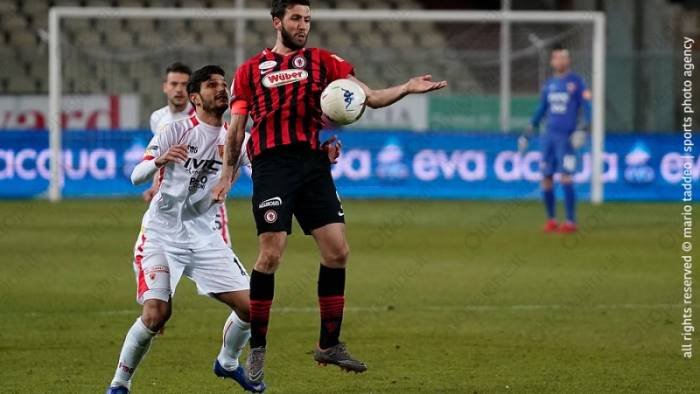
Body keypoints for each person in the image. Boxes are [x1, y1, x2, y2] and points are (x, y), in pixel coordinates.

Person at [211, 0, 447, 386]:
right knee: (271, 253)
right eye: (295, 18)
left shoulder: (325, 62)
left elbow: (367, 97)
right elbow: (237, 129)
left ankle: (329, 343)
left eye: (307, 19)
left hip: (312, 163)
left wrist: (405, 88)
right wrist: (227, 176)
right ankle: (257, 347)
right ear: (277, 22)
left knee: (338, 251)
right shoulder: (250, 71)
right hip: (271, 165)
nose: (303, 25)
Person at [106, 65, 264, 394]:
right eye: (211, 85)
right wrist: (159, 161)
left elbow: (273, 164)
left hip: (205, 236)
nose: (221, 89)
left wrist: (320, 157)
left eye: (224, 84)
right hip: (161, 235)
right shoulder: (174, 131)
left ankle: (227, 362)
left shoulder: (237, 140)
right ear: (195, 97)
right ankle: (120, 384)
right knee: (156, 313)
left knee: (253, 307)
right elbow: (136, 175)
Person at [519, 45, 592, 233]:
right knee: (546, 177)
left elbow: (587, 108)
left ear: (568, 61)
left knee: (566, 177)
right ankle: (551, 220)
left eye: (562, 57)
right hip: (548, 137)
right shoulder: (549, 84)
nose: (558, 61)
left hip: (566, 138)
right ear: (552, 62)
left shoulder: (577, 82)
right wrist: (528, 132)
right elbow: (541, 109)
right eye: (556, 58)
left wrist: (582, 129)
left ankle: (570, 221)